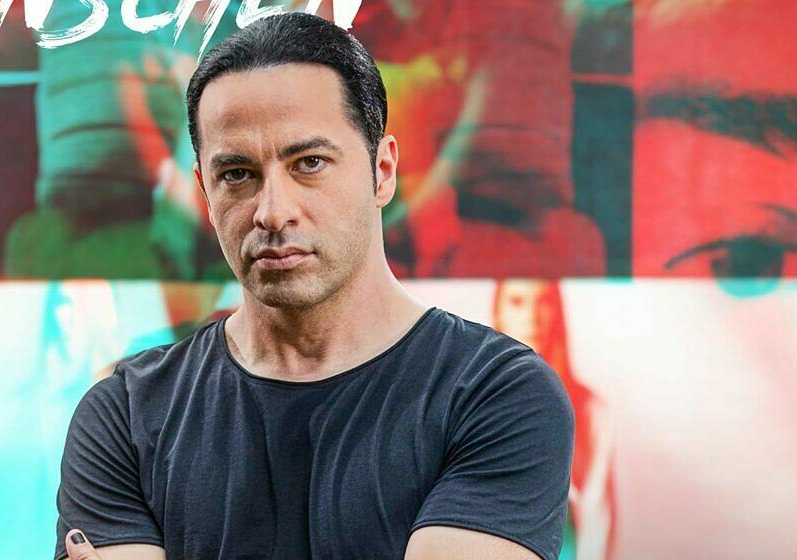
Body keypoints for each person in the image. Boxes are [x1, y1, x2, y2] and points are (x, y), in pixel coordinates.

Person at [54, 12, 575, 560]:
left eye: (309, 163)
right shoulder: (126, 413)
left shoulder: (498, 394)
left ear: (382, 171)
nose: (272, 212)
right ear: (205, 192)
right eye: (237, 174)